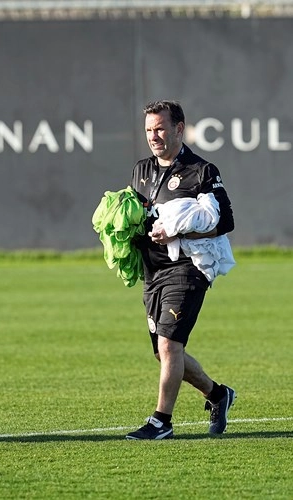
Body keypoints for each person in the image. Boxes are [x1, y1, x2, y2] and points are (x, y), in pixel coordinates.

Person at [125, 100, 236, 440]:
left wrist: (179, 233)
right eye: (149, 130)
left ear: (179, 128)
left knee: (170, 344)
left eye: (160, 128)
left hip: (187, 267)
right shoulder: (141, 170)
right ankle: (218, 394)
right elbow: (137, 215)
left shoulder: (201, 171)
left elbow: (226, 221)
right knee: (163, 352)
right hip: (153, 270)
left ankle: (161, 422)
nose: (153, 136)